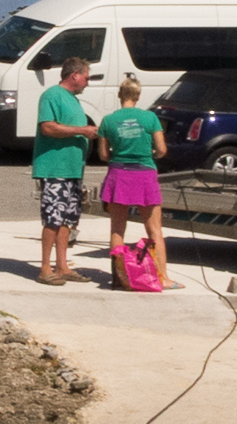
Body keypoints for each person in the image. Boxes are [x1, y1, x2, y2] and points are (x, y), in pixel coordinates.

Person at [97, 78, 177, 289]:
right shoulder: (149, 118)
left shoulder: (107, 121)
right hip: (144, 174)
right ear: (138, 96)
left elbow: (104, 155)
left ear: (120, 95)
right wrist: (148, 152)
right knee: (154, 230)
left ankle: (119, 277)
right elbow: (161, 150)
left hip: (119, 174)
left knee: (117, 230)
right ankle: (163, 278)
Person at [30, 56, 97, 284]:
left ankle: (62, 266)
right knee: (53, 217)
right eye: (86, 78)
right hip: (55, 169)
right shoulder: (51, 95)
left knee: (68, 219)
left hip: (72, 171)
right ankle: (45, 268)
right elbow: (47, 127)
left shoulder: (73, 100)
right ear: (74, 75)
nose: (87, 82)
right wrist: (82, 130)